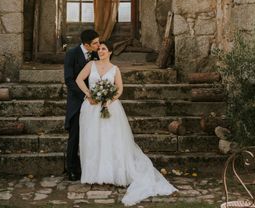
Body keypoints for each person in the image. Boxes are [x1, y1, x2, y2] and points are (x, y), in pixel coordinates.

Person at [76, 43, 177, 206]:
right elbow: (79, 79)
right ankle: (93, 175)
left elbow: (119, 89)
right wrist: (89, 94)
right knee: (92, 140)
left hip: (110, 107)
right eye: (99, 48)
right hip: (91, 107)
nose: (101, 51)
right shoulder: (90, 65)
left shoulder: (115, 69)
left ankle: (111, 174)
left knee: (110, 140)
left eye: (104, 49)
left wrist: (109, 100)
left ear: (109, 52)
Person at [63, 29, 100, 181]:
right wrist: (85, 95)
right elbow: (69, 79)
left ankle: (91, 168)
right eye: (95, 43)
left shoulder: (97, 53)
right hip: (78, 100)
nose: (99, 45)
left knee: (94, 135)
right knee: (75, 135)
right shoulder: (72, 54)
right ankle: (71, 169)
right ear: (86, 44)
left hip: (96, 102)